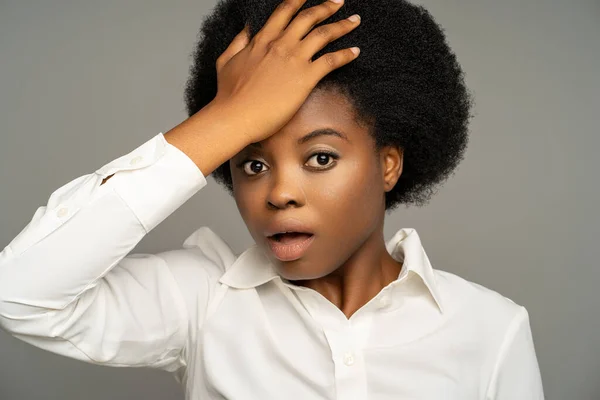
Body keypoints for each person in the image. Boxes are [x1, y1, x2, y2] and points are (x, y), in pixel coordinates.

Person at [0, 0, 544, 398]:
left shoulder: (490, 329)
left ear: (388, 164)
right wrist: (226, 118)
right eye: (252, 163)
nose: (279, 193)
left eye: (321, 158)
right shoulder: (202, 300)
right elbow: (20, 293)